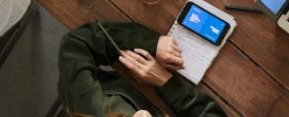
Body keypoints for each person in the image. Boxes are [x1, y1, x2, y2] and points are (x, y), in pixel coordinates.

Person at [58, 21, 226, 116]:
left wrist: (150, 44)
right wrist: (166, 82)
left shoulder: (88, 108)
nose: (144, 115)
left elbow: (76, 44)